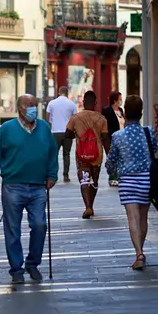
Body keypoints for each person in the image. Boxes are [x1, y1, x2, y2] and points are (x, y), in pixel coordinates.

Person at [0, 94, 58, 284]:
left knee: (40, 225)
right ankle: (16, 268)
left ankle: (32, 263)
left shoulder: (44, 127)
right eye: (29, 105)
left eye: (35, 105)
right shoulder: (7, 129)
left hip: (38, 186)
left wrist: (52, 174)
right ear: (20, 108)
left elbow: (52, 152)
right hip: (13, 185)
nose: (34, 108)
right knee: (13, 229)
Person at [105, 95, 157, 271]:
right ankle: (141, 250)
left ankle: (139, 252)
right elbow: (154, 150)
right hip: (146, 179)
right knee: (143, 217)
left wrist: (110, 171)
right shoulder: (149, 132)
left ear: (125, 112)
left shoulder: (118, 136)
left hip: (128, 180)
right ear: (141, 113)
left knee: (132, 218)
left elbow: (112, 159)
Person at [65, 91, 110, 219]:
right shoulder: (101, 119)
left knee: (84, 178)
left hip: (82, 153)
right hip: (97, 154)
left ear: (83, 102)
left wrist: (78, 135)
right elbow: (105, 137)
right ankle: (91, 204)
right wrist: (110, 155)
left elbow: (67, 134)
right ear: (95, 103)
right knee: (94, 180)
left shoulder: (75, 117)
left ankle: (87, 207)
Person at [45, 86, 77, 182]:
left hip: (55, 132)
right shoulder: (71, 104)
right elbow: (75, 118)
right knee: (66, 154)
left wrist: (53, 122)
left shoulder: (52, 103)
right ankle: (66, 175)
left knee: (54, 154)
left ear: (59, 92)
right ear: (67, 93)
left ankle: (53, 175)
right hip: (68, 132)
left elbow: (47, 116)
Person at [102, 91, 125, 187]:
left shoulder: (120, 110)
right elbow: (104, 125)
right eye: (120, 99)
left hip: (122, 138)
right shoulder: (107, 110)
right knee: (112, 158)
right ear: (115, 100)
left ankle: (119, 177)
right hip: (112, 138)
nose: (121, 100)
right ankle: (112, 177)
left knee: (121, 159)